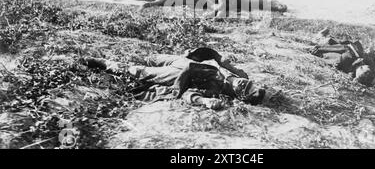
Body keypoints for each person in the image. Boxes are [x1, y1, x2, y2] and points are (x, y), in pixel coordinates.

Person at [81, 47, 265, 110]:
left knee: (138, 71)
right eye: (249, 84)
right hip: (182, 60)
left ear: (239, 95)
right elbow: (212, 54)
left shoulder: (215, 89)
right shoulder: (240, 75)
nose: (244, 83)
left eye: (245, 88)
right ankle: (127, 56)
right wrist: (224, 63)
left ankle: (101, 62)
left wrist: (205, 101)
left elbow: (190, 95)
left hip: (177, 74)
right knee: (150, 57)